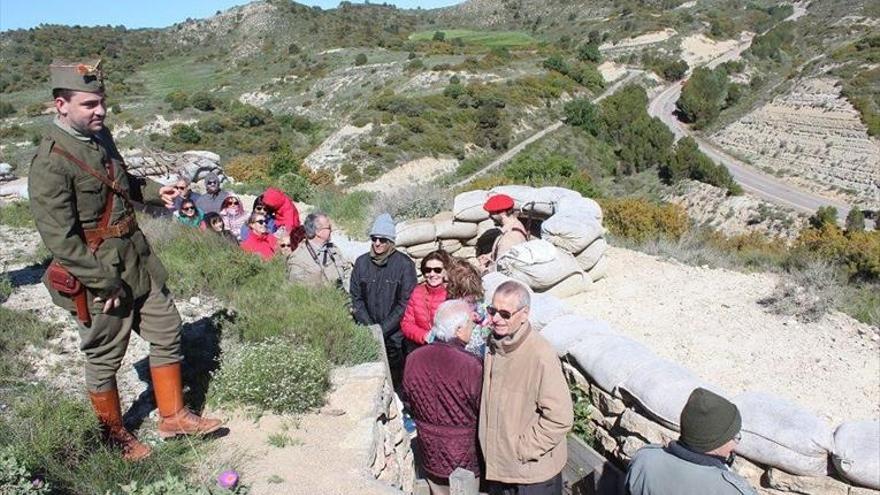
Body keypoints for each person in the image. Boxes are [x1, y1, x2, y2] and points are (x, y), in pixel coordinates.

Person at [27, 59, 222, 461]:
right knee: (103, 355)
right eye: (88, 105)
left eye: (100, 102)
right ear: (60, 105)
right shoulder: (51, 160)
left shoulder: (101, 137)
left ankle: (172, 416)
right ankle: (114, 436)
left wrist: (155, 193)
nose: (98, 111)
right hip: (98, 271)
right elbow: (59, 237)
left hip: (136, 258)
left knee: (167, 327)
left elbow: (121, 180)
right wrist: (102, 282)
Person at [479, 280, 572, 495]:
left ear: (524, 314)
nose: (495, 319)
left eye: (505, 313)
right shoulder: (494, 346)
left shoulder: (541, 355)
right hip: (501, 469)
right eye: (492, 311)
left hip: (531, 476)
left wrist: (523, 449)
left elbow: (560, 418)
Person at [403, 299, 483, 495]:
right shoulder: (471, 365)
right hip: (464, 459)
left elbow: (408, 401)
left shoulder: (413, 359)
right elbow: (484, 410)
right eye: (470, 325)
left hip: (429, 452)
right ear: (457, 330)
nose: (472, 330)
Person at [624, 388, 757, 495]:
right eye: (735, 437)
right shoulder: (733, 490)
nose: (735, 444)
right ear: (715, 442)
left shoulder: (644, 460)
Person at [350, 213, 417, 391]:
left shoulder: (404, 265)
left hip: (395, 337)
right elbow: (356, 299)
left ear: (391, 242)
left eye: (382, 239)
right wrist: (371, 328)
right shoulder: (361, 263)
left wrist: (383, 329)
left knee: (397, 382)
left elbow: (405, 302)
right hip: (368, 331)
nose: (377, 243)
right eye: (374, 239)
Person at [286, 211, 350, 290]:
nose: (331, 230)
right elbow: (297, 290)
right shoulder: (297, 259)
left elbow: (347, 270)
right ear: (318, 232)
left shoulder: (333, 249)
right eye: (328, 228)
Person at [401, 250, 450, 351]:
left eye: (437, 270)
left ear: (445, 271)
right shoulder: (417, 292)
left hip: (447, 348)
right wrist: (424, 336)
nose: (432, 274)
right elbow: (407, 323)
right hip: (422, 346)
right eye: (428, 270)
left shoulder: (451, 293)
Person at [445, 257, 491, 356]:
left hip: (472, 342)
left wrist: (480, 319)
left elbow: (485, 316)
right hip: (471, 342)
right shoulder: (477, 299)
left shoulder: (477, 300)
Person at [477, 194, 528, 274]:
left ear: (502, 213)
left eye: (492, 213)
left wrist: (483, 270)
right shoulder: (516, 224)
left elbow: (500, 270)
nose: (490, 216)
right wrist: (490, 255)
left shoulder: (509, 238)